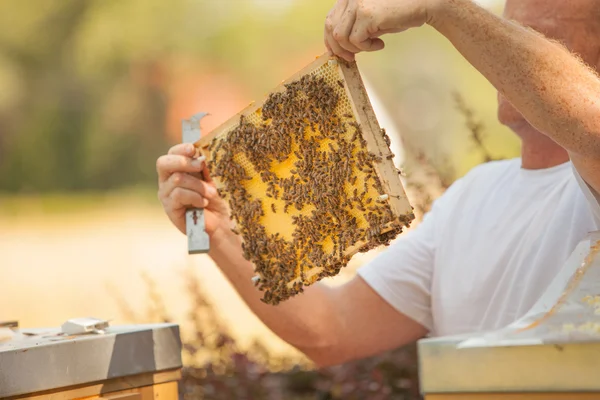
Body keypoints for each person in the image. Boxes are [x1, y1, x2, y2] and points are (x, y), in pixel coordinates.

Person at [157, 0, 600, 367]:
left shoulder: (588, 187)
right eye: (508, 30)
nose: (504, 51)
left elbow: (590, 126)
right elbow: (332, 329)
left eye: (539, 38)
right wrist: (215, 227)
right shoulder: (471, 197)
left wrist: (446, 9)